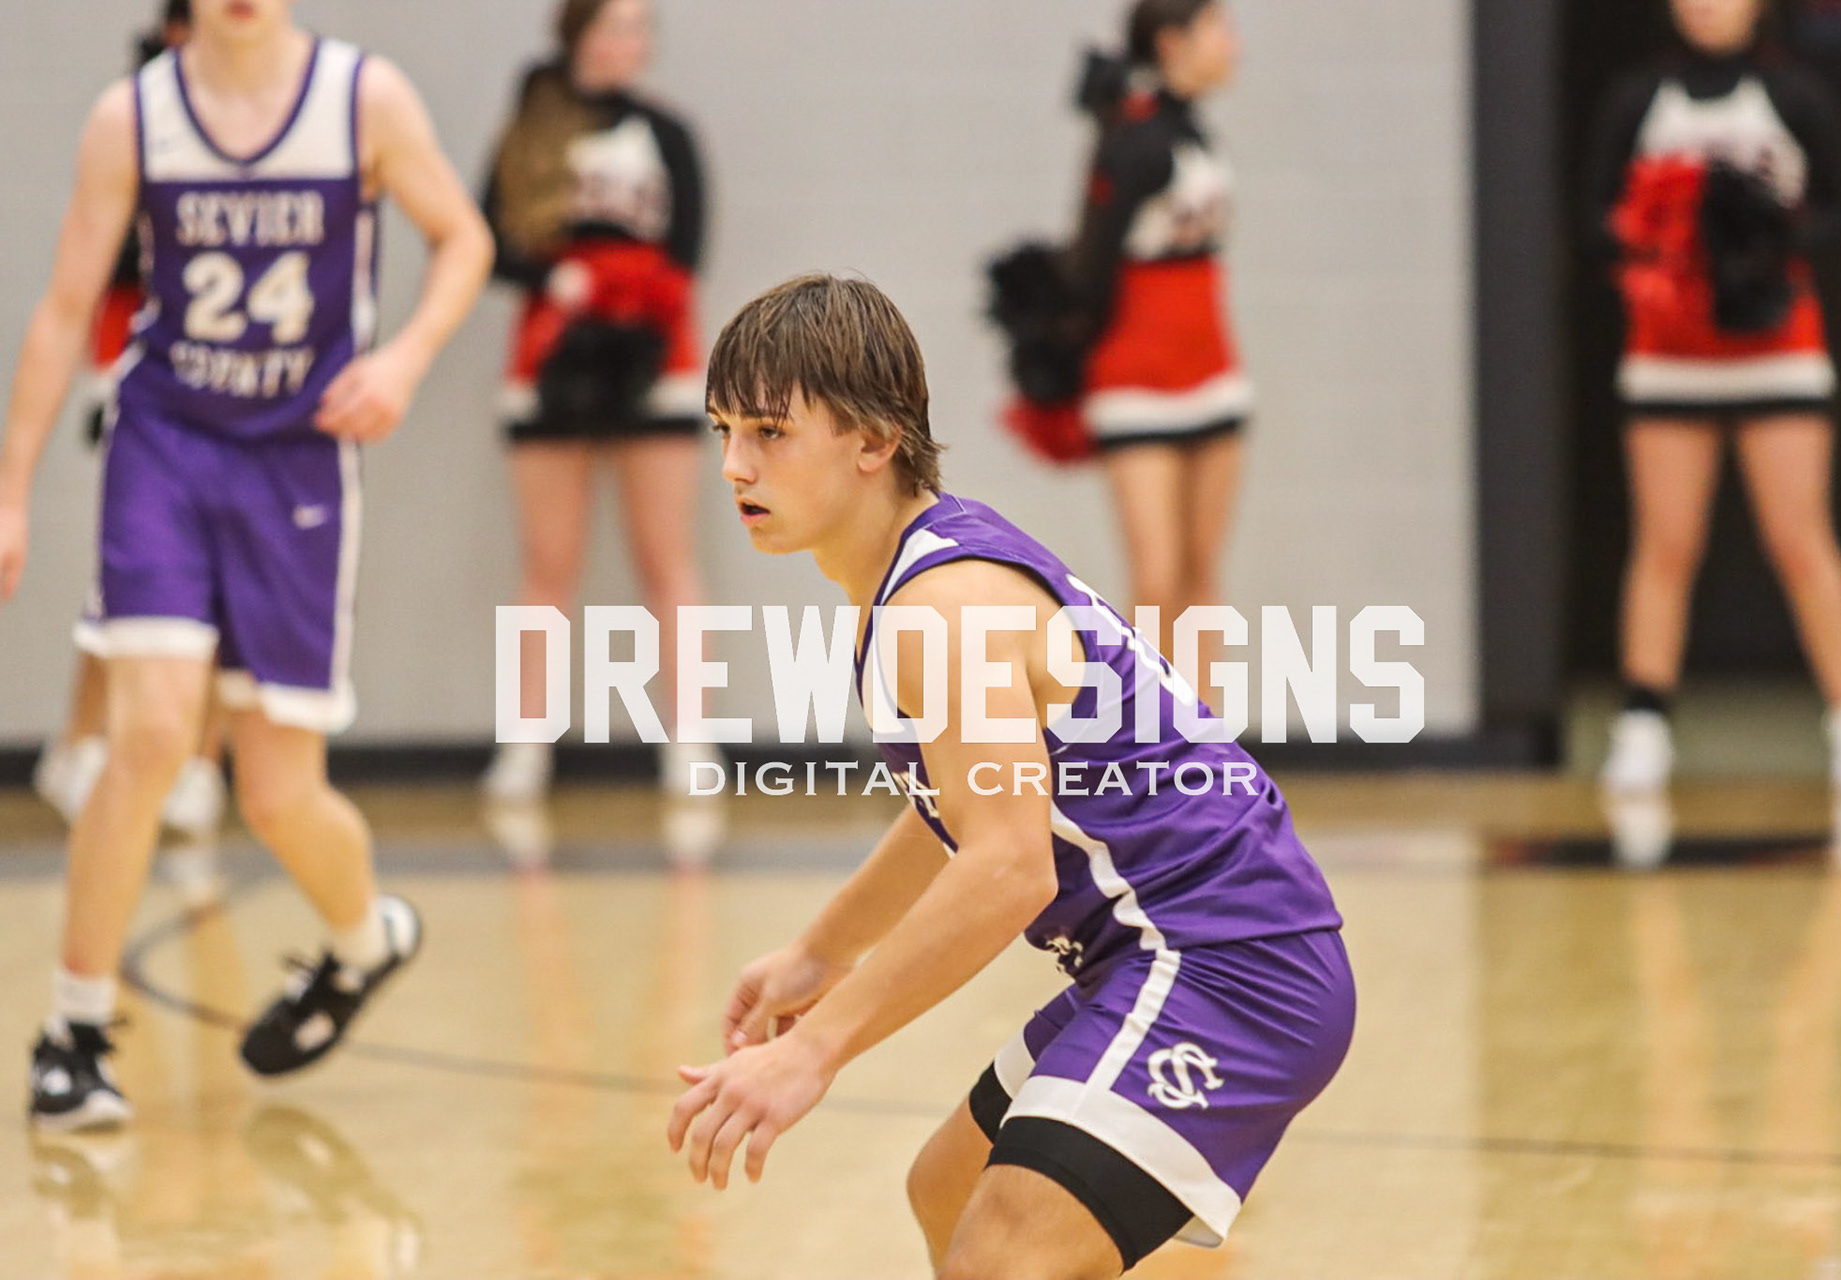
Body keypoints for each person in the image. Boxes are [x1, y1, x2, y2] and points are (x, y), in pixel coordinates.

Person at [668, 276, 1353, 1279]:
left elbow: (1008, 865)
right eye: (723, 429)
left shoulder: (942, 606)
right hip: (1156, 955)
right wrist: (822, 951)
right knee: (947, 1190)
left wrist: (814, 1051)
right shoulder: (918, 571)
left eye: (770, 431)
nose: (735, 464)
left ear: (874, 439)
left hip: (1231, 965)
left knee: (999, 1254)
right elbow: (966, 804)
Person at [0, 0, 493, 1129]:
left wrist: (405, 359)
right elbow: (66, 306)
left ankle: (365, 939)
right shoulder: (134, 116)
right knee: (149, 735)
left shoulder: (361, 99)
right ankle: (74, 1029)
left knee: (277, 792)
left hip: (296, 462)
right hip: (165, 446)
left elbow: (465, 238)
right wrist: (13, 488)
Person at [1588, 0, 1841, 792]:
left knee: (1801, 535)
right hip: (1669, 355)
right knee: (1665, 542)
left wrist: (1766, 239)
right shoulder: (1639, 101)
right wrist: (1665, 237)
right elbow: (1597, 217)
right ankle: (1644, 723)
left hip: (1775, 349)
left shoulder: (1793, 97)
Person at [478, 0, 715, 801]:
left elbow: (688, 251)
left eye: (642, 29)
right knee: (547, 562)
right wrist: (556, 278)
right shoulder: (531, 128)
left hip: (653, 352)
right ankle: (526, 744)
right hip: (553, 355)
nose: (631, 43)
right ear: (577, 34)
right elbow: (488, 240)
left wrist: (630, 302)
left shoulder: (667, 133)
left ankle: (690, 740)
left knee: (667, 557)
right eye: (616, 26)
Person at [32, 0, 230, 842]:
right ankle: (80, 743)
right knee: (133, 579)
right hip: (142, 366)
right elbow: (95, 272)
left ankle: (200, 762)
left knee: (229, 581)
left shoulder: (278, 110)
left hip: (244, 385)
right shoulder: (138, 115)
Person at [1070, 0, 1246, 710]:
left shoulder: (1196, 130)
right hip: (1137, 383)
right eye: (1219, 28)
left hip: (1214, 374)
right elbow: (1088, 266)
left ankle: (1206, 738)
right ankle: (1149, 739)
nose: (1233, 43)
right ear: (1172, 42)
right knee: (1156, 578)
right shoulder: (1133, 140)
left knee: (1202, 573)